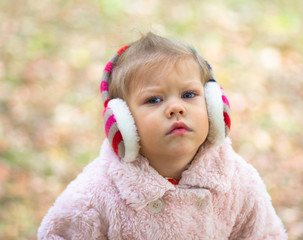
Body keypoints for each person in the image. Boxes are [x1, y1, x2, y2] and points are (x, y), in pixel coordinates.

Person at [38, 32, 287, 239]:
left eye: (189, 95)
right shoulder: (96, 195)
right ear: (122, 122)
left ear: (213, 106)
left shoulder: (237, 182)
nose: (176, 108)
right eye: (154, 99)